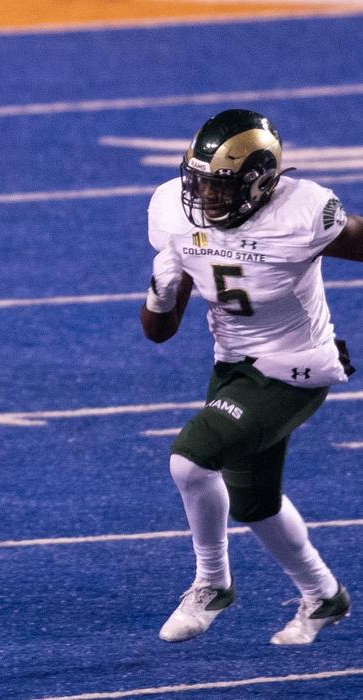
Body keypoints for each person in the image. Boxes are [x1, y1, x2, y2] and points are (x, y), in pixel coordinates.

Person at [140, 108, 362, 645]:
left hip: (296, 367)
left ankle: (211, 582)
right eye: (197, 180)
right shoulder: (173, 209)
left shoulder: (303, 212)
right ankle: (324, 595)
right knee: (254, 503)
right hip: (234, 364)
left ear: (262, 183)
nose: (203, 196)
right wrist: (160, 292)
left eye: (219, 185)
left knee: (191, 460)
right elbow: (159, 332)